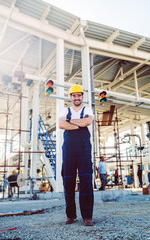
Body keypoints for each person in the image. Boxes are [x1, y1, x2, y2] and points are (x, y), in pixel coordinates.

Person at [58, 84, 94, 226]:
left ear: (82, 96)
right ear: (71, 97)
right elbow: (61, 125)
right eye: (74, 95)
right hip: (69, 150)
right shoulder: (65, 110)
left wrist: (71, 122)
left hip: (84, 150)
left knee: (86, 182)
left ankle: (87, 217)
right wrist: (80, 124)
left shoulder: (88, 109)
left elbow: (88, 121)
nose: (77, 98)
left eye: (79, 95)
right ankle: (71, 215)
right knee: (68, 182)